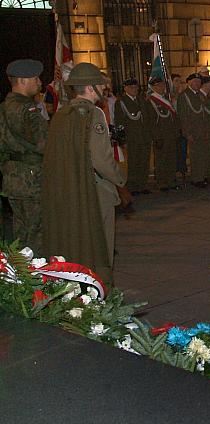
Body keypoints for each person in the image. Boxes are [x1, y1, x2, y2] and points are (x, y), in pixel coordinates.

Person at [42, 62, 126, 285]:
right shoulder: (93, 114)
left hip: (70, 188)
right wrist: (120, 178)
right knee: (101, 246)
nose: (104, 88)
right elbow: (101, 158)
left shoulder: (62, 114)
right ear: (90, 88)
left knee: (76, 240)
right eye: (100, 84)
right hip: (95, 188)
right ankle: (100, 288)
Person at [0, 59, 47, 251]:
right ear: (23, 80)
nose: (39, 82)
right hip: (31, 179)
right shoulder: (26, 108)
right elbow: (43, 143)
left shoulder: (5, 106)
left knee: (21, 232)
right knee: (36, 233)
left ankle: (22, 275)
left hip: (13, 177)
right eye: (35, 78)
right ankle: (37, 277)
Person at [115, 78, 152, 195]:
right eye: (132, 87)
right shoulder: (121, 102)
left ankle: (143, 184)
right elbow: (119, 122)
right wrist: (122, 139)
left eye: (136, 87)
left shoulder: (141, 100)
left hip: (144, 136)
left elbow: (146, 118)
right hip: (132, 137)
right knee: (133, 162)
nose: (135, 89)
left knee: (144, 161)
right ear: (125, 88)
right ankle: (133, 186)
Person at [147, 76, 180, 191]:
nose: (161, 87)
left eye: (162, 85)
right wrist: (156, 137)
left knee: (171, 159)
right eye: (158, 86)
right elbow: (150, 121)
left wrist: (176, 132)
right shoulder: (150, 101)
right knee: (161, 160)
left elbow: (173, 117)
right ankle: (162, 182)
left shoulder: (167, 99)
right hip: (161, 135)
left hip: (171, 134)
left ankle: (171, 180)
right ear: (153, 87)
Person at [177, 73, 209, 188]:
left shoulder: (199, 95)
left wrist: (206, 129)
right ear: (189, 82)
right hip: (193, 131)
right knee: (195, 156)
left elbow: (204, 113)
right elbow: (183, 116)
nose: (197, 84)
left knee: (203, 154)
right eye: (195, 81)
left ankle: (202, 175)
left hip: (202, 129)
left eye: (199, 82)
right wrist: (187, 132)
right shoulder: (184, 96)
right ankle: (196, 178)